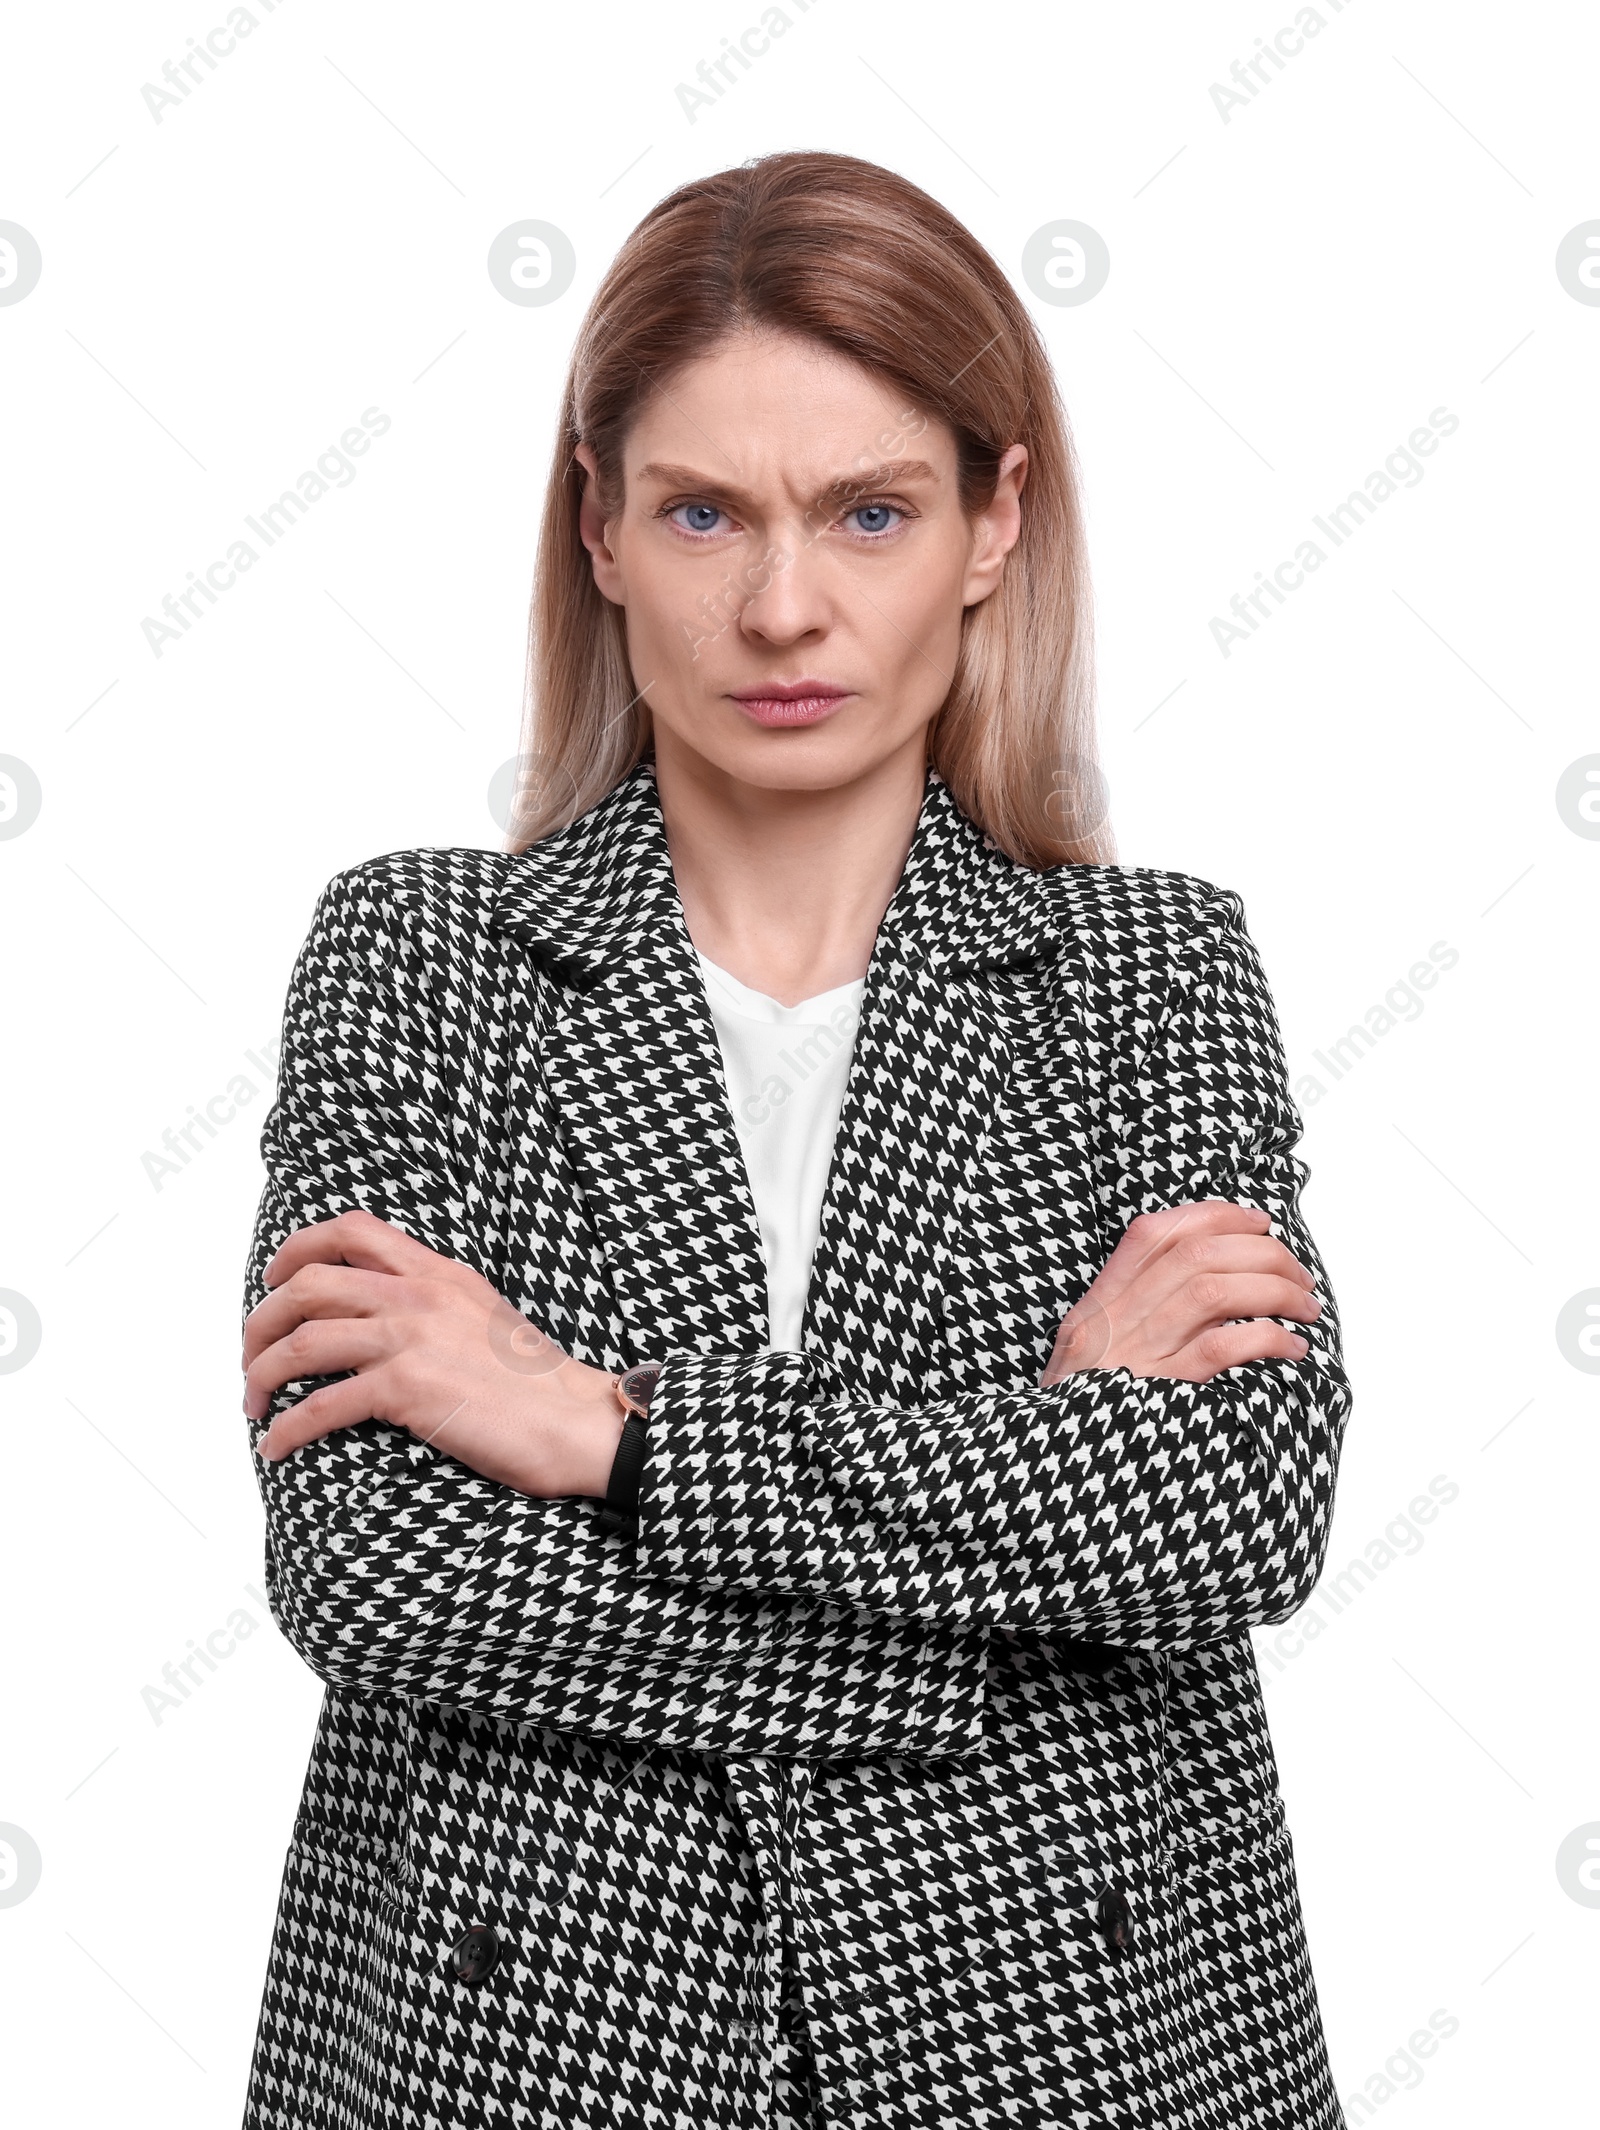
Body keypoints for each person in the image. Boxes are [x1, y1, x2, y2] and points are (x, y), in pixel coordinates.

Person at [238, 150, 1352, 2130]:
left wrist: (610, 1435)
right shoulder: (414, 955)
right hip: (534, 2055)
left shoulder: (1148, 969)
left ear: (992, 524)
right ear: (595, 529)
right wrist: (1014, 1577)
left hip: (1057, 2051)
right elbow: (386, 1567)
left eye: (865, 511)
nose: (780, 606)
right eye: (699, 511)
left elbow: (1234, 1511)